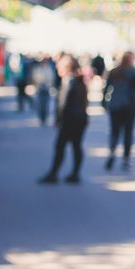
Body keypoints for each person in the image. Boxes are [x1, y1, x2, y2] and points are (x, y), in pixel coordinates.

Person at [38, 55, 88, 184]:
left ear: (66, 68)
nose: (57, 68)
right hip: (80, 119)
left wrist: (58, 120)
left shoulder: (68, 81)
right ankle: (75, 173)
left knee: (60, 146)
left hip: (69, 120)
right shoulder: (79, 80)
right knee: (76, 146)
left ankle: (54, 174)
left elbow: (63, 104)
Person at [103, 51, 135, 171]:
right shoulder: (134, 72)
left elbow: (106, 88)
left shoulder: (114, 71)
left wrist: (104, 103)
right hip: (128, 106)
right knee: (128, 132)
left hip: (116, 106)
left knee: (115, 131)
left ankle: (112, 153)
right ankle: (126, 158)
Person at [31, 55, 55, 126]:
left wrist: (48, 83)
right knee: (40, 104)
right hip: (39, 88)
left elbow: (51, 78)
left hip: (46, 89)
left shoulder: (49, 69)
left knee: (46, 104)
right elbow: (34, 78)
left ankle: (45, 117)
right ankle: (41, 117)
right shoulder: (37, 69)